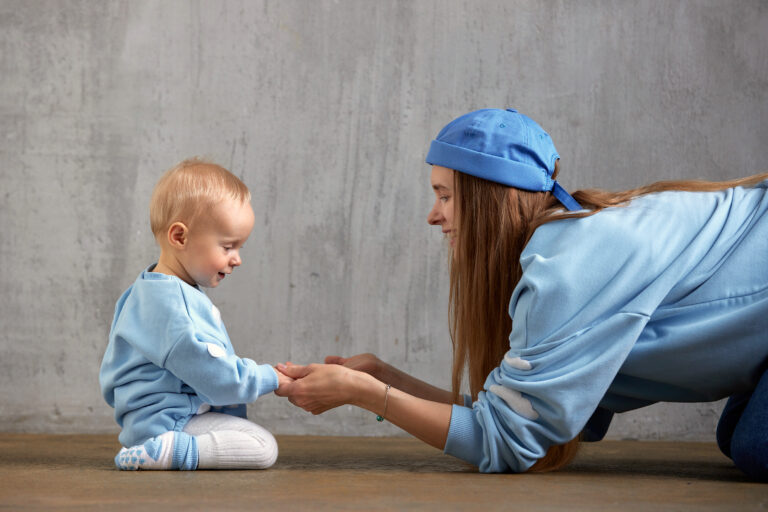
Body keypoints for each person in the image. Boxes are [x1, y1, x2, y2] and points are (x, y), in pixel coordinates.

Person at [275, 108, 768, 480]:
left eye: (445, 195)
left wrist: (364, 393)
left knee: (754, 444)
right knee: (737, 435)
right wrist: (383, 378)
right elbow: (517, 412)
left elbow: (506, 441)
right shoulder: (565, 244)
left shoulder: (567, 266)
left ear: (490, 196)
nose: (432, 214)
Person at [100, 158, 291, 470]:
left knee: (250, 437)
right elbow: (215, 377)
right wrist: (273, 378)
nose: (237, 259)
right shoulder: (172, 308)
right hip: (171, 422)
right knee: (262, 447)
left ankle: (156, 447)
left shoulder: (148, 291)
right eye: (228, 247)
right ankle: (168, 452)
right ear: (180, 237)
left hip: (155, 417)